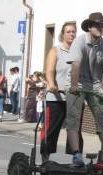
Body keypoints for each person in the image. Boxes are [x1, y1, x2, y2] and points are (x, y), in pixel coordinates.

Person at [67, 12, 103, 166]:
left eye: (102, 26)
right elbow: (75, 64)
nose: (100, 28)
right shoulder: (79, 42)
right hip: (77, 83)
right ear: (90, 27)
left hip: (96, 85)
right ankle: (77, 155)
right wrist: (73, 85)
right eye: (97, 26)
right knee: (73, 119)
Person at [40, 21, 77, 162]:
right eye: (68, 31)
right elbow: (49, 71)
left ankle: (76, 157)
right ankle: (45, 158)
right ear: (63, 34)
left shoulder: (77, 51)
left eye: (73, 31)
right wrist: (51, 84)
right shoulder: (56, 50)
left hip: (73, 97)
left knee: (74, 129)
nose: (71, 34)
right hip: (56, 96)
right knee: (51, 129)